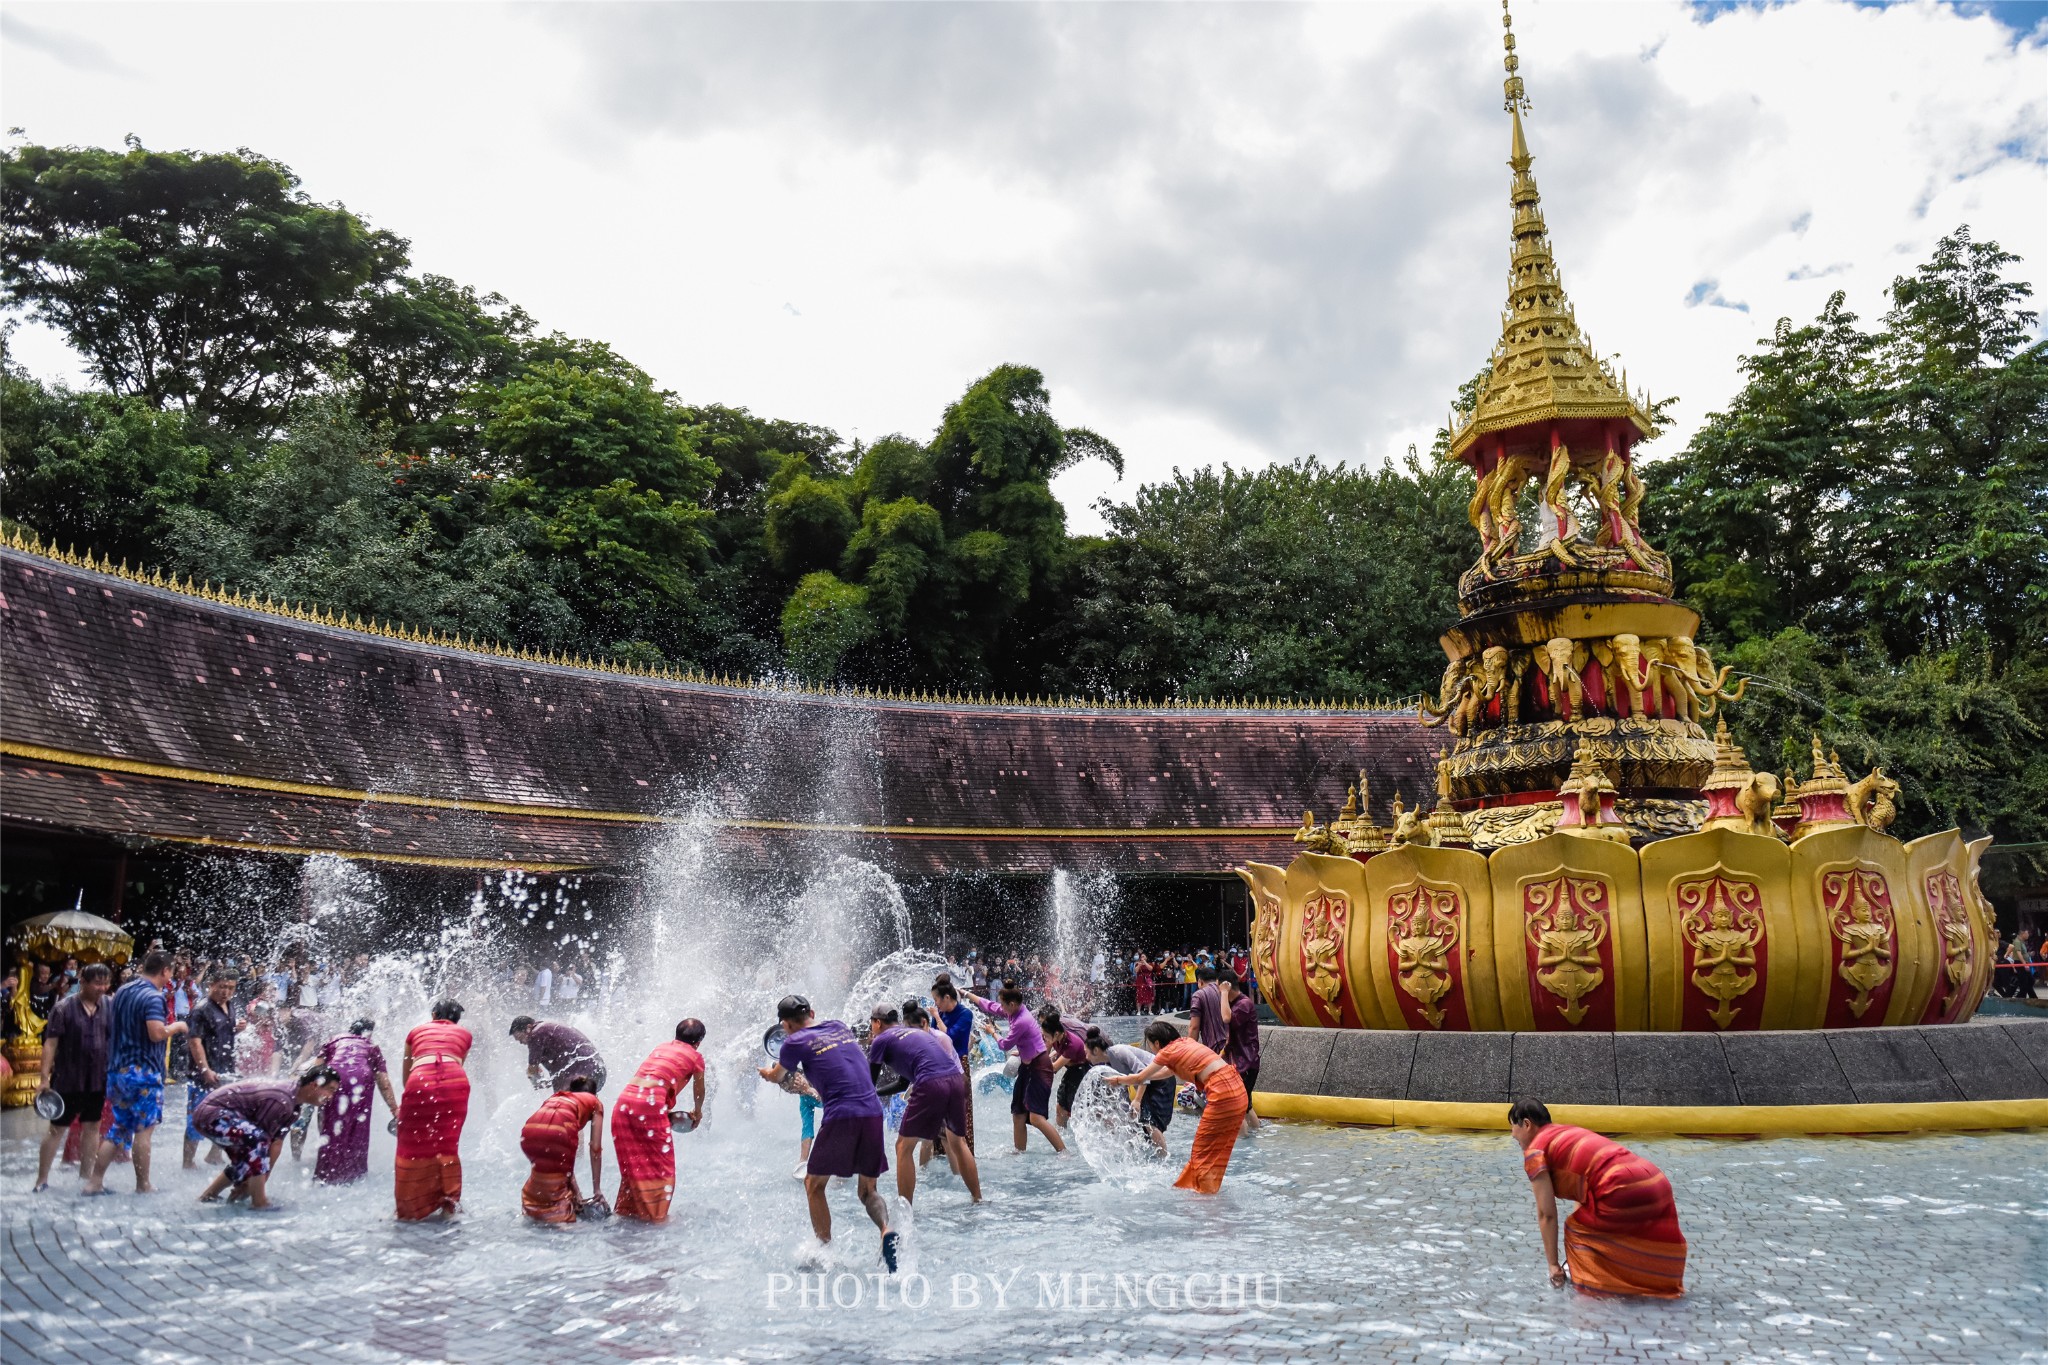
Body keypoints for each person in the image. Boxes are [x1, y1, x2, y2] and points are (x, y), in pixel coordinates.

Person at [758, 995, 898, 1271]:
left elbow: (778, 1075)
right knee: (868, 1190)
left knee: (813, 1184)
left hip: (842, 1115)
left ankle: (824, 1251)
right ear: (812, 1011)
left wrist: (766, 1072)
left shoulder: (793, 1042)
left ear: (785, 1025)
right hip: (872, 1110)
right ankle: (886, 1230)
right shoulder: (838, 1025)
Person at [1509, 1099, 1688, 1298]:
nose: (1513, 1136)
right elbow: (1585, 1189)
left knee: (1577, 1233)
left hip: (1619, 1186)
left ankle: (1593, 1305)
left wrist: (1553, 1265)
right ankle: (1647, 1291)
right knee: (1597, 1232)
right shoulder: (1568, 1132)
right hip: (1655, 1180)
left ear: (1526, 1124)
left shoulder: (1535, 1151)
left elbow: (1546, 1214)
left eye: (1514, 1130)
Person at [84, 948, 188, 1196]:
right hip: (143, 1074)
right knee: (144, 1130)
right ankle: (143, 1184)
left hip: (117, 1071)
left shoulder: (123, 991)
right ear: (165, 971)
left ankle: (94, 1182)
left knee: (119, 1128)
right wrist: (177, 1026)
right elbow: (156, 1032)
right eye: (171, 973)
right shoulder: (153, 997)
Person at [1105, 1020, 1248, 1193]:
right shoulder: (1185, 1043)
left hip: (1222, 1093)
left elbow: (1139, 1077)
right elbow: (1168, 1072)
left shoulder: (1166, 1052)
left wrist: (1119, 1080)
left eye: (1150, 1045)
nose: (1151, 1049)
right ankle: (1208, 1191)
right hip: (1238, 1089)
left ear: (1157, 1043)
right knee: (1218, 1151)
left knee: (1201, 1153)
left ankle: (1203, 1199)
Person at [869, 1001, 981, 1207]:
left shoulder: (881, 1039)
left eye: (871, 1026)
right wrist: (876, 1093)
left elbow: (869, 1080)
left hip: (930, 1083)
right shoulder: (917, 1033)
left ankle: (906, 1210)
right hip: (956, 1080)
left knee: (903, 1147)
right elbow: (903, 1083)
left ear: (877, 1023)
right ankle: (978, 1198)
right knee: (958, 1142)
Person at [194, 1066, 341, 1209]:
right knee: (257, 1142)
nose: (331, 1097)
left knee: (250, 1153)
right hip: (211, 1115)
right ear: (315, 1085)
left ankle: (209, 1195)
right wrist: (252, 1185)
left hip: (221, 1117)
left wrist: (262, 1179)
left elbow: (276, 1144)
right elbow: (261, 1145)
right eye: (330, 1090)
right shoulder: (281, 1099)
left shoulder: (294, 1106)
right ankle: (259, 1202)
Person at [611, 1018, 707, 1222]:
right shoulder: (696, 1056)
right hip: (650, 1107)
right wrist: (697, 1112)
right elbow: (699, 1090)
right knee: (661, 1168)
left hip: (623, 1105)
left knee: (633, 1169)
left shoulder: (661, 1047)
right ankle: (655, 1221)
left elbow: (651, 1083)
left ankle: (627, 1215)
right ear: (699, 1042)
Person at [35, 963, 111, 1191]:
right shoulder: (63, 1008)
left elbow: (114, 1039)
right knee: (57, 1129)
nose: (102, 988)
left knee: (92, 1128)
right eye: (97, 983)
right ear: (83, 982)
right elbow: (50, 1044)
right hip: (68, 1079)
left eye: (106, 983)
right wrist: (44, 1078)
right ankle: (41, 1180)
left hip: (98, 1079)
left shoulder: (109, 1006)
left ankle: (87, 1178)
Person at [395, 999, 472, 1222]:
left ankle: (408, 1208)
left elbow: (406, 1073)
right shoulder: (464, 1034)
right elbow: (457, 1064)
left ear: (434, 1014)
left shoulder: (416, 1031)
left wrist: (412, 1097)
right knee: (447, 1144)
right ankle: (449, 1205)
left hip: (419, 1079)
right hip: (455, 1081)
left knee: (411, 1144)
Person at [968, 984, 1065, 1154]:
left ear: (1012, 1004)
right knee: (1018, 1113)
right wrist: (968, 995)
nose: (1002, 1008)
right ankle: (1019, 1151)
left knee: (1035, 1118)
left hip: (1039, 1067)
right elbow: (991, 1006)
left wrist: (992, 1032)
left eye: (1004, 1005)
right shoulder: (1014, 1010)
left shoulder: (1022, 1020)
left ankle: (1063, 1151)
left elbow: (1004, 1045)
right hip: (1026, 1066)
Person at [315, 1018, 398, 1184]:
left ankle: (326, 1174)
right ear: (370, 1033)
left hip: (334, 1078)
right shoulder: (371, 1046)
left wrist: (315, 1093)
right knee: (357, 1126)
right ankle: (353, 1175)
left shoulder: (334, 1040)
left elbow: (317, 1068)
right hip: (360, 1079)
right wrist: (395, 1109)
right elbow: (384, 1082)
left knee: (330, 1125)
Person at [520, 1076, 605, 1223]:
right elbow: (595, 1148)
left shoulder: (558, 1097)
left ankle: (533, 1212)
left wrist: (578, 1196)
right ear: (595, 1095)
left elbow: (566, 1169)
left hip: (529, 1132)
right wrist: (597, 1190)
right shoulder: (595, 1103)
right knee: (560, 1194)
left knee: (544, 1176)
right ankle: (563, 1224)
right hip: (558, 1133)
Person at [1084, 1024, 1174, 1157]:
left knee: (1150, 1122)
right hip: (1147, 1083)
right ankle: (1152, 1155)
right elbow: (1123, 1090)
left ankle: (1164, 1159)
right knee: (1140, 1121)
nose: (1086, 1057)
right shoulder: (1107, 1065)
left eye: (1086, 1052)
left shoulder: (1119, 1052)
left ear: (1096, 1050)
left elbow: (1143, 1073)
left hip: (1161, 1079)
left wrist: (1137, 1100)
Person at [183, 970, 243, 1169]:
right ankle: (188, 1162)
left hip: (225, 1070)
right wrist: (205, 1069)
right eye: (222, 986)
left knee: (227, 1114)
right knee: (196, 1117)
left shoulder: (229, 1005)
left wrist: (237, 1028)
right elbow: (194, 1042)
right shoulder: (202, 1009)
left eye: (230, 988)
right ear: (212, 985)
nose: (226, 991)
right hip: (203, 1074)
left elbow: (221, 1032)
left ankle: (214, 1155)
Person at [931, 979, 976, 1154]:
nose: (935, 1004)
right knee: (938, 1109)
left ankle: (965, 1152)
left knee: (961, 1110)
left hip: (959, 1066)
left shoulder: (965, 1014)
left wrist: (935, 1016)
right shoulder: (940, 1013)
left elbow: (948, 1036)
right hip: (939, 1065)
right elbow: (931, 1036)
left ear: (947, 997)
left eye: (937, 999)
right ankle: (940, 1151)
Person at [509, 1016, 607, 1093]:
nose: (521, 1042)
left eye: (520, 1037)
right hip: (596, 1070)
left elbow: (532, 1068)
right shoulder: (547, 1028)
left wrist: (534, 1078)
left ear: (528, 1027)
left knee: (562, 1107)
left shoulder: (536, 1033)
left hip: (583, 1074)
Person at [1220, 973, 1262, 1135]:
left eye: (1220, 988)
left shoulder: (1243, 1004)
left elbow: (1226, 1018)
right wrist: (1223, 1053)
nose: (1219, 993)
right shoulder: (1239, 1003)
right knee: (1246, 1105)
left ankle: (1242, 1142)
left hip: (1246, 1062)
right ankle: (1253, 1137)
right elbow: (1232, 1036)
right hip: (1245, 1061)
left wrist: (1224, 993)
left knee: (1236, 1107)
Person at [1039, 1005, 1092, 1129]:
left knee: (1075, 1107)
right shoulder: (1054, 1037)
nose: (1044, 1038)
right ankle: (1062, 1133)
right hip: (1071, 1069)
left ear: (1056, 1034)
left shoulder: (1072, 1043)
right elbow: (1044, 1054)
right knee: (1060, 1106)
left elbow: (1053, 1068)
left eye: (1046, 1036)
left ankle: (1082, 1132)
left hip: (1081, 1072)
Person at [1188, 965, 1227, 1051]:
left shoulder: (1199, 995)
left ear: (1200, 981)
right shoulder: (1226, 991)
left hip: (1215, 1048)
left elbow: (1194, 1027)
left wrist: (1190, 1051)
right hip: (1233, 1046)